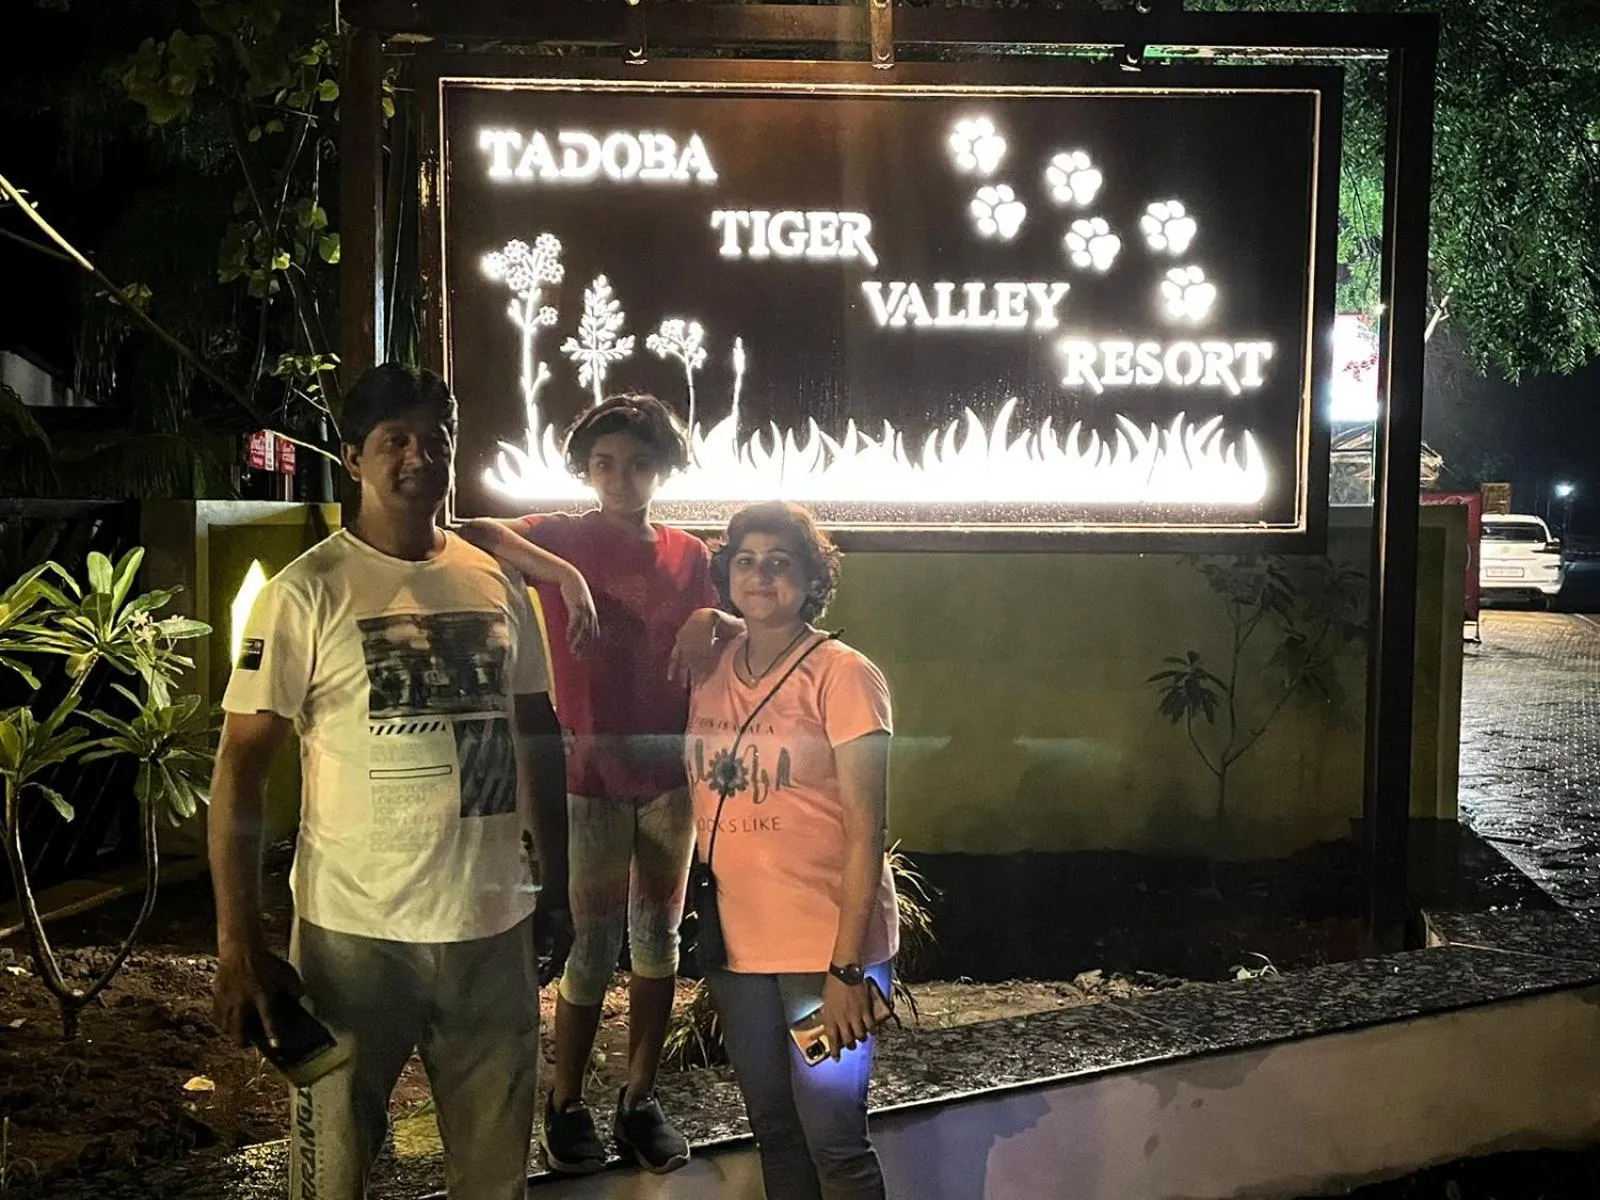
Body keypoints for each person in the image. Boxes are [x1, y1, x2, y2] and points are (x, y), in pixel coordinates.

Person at [209, 363, 567, 1200]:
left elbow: (538, 733)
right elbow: (240, 770)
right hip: (352, 938)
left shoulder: (496, 581)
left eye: (435, 439)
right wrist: (239, 944)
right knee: (330, 1176)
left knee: (496, 1178)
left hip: (491, 926)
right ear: (353, 457)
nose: (419, 456)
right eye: (395, 440)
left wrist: (553, 886)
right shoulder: (306, 594)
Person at [459, 393, 715, 1175]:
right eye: (604, 464)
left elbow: (715, 636)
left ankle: (639, 1098)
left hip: (672, 774)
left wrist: (719, 622)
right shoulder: (563, 535)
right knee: (591, 945)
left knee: (659, 941)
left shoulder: (690, 555)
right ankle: (566, 1102)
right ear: (585, 469)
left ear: (662, 470)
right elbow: (476, 531)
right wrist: (565, 576)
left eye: (639, 464)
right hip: (587, 775)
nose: (621, 478)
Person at [684, 501, 898, 1200]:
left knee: (835, 1141)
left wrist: (846, 969)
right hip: (738, 950)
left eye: (781, 562)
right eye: (746, 560)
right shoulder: (709, 663)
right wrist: (703, 623)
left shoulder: (844, 675)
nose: (761, 574)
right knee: (774, 1130)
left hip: (820, 953)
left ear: (812, 580)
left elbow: (867, 830)